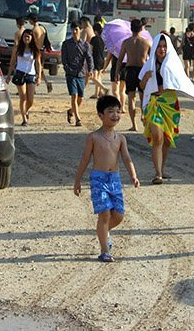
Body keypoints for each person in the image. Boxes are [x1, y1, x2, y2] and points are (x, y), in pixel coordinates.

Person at [73, 95, 140, 263]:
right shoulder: (93, 137)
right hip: (98, 180)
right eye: (110, 112)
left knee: (118, 215)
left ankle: (103, 232)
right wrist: (77, 180)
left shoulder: (121, 138)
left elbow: (126, 158)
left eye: (118, 111)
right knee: (104, 215)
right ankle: (105, 250)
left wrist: (133, 175)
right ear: (100, 115)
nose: (115, 115)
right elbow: (84, 159)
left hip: (115, 179)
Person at [138, 34, 194, 185]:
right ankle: (158, 173)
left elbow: (181, 81)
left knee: (166, 140)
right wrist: (146, 79)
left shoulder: (174, 64)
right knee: (157, 137)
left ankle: (161, 168)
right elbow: (141, 88)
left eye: (164, 46)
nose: (162, 49)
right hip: (154, 103)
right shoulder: (149, 65)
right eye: (159, 47)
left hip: (169, 104)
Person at [116, 19, 152, 131]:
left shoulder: (126, 42)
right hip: (142, 70)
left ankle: (134, 125)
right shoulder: (146, 42)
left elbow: (120, 59)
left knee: (131, 98)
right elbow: (152, 60)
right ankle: (144, 117)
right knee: (143, 97)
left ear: (131, 29)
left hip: (130, 70)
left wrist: (117, 72)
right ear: (141, 28)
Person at [7, 28, 42, 126]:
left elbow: (38, 64)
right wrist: (9, 75)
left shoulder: (35, 50)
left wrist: (39, 76)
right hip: (20, 73)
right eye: (24, 36)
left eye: (28, 36)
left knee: (30, 100)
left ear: (31, 38)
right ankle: (24, 119)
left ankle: (25, 111)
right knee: (23, 97)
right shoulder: (17, 48)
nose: (26, 38)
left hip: (31, 74)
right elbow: (12, 62)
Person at [62, 21, 94, 127]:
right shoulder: (66, 44)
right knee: (74, 96)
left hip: (81, 74)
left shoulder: (85, 45)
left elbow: (89, 58)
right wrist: (67, 69)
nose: (74, 31)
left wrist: (90, 70)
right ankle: (78, 119)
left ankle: (71, 111)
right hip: (70, 74)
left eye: (76, 29)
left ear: (80, 30)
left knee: (80, 99)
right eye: (73, 29)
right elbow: (64, 59)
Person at [27, 12, 54, 93]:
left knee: (34, 70)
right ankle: (47, 83)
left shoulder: (34, 30)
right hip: (42, 50)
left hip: (36, 51)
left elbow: (33, 43)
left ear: (31, 20)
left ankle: (33, 88)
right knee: (40, 70)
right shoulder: (42, 28)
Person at [89, 23, 109, 99]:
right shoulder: (103, 39)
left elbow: (90, 50)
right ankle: (96, 93)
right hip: (101, 59)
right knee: (98, 77)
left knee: (93, 77)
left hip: (95, 59)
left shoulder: (94, 39)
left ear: (95, 31)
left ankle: (104, 88)